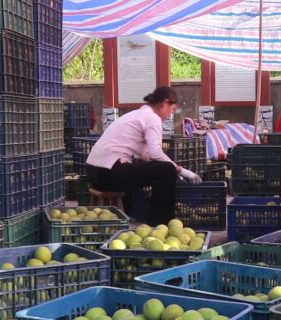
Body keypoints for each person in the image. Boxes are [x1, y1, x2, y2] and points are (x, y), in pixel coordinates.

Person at [86, 86, 202, 226]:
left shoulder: (136, 114)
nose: (169, 115)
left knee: (147, 167)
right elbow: (156, 154)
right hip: (108, 172)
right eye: (171, 111)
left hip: (94, 173)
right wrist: (181, 170)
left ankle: (132, 213)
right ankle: (160, 223)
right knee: (166, 171)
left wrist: (174, 168)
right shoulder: (152, 118)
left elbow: (146, 155)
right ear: (164, 103)